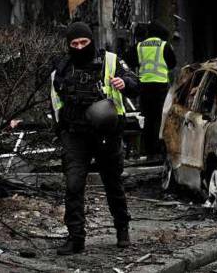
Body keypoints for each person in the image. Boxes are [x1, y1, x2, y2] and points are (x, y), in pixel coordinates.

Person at [51, 22, 139, 255]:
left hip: (106, 133)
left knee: (113, 184)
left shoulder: (110, 60)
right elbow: (55, 101)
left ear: (92, 41)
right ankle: (76, 238)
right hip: (75, 134)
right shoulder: (62, 68)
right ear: (69, 45)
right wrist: (61, 130)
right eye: (74, 44)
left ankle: (122, 229)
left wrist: (124, 83)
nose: (79, 47)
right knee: (73, 185)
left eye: (84, 42)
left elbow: (134, 82)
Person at [126, 22, 176, 158]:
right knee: (160, 118)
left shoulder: (140, 46)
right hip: (160, 86)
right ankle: (160, 150)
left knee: (147, 119)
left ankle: (149, 151)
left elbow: (128, 61)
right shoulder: (164, 45)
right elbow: (172, 64)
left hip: (144, 86)